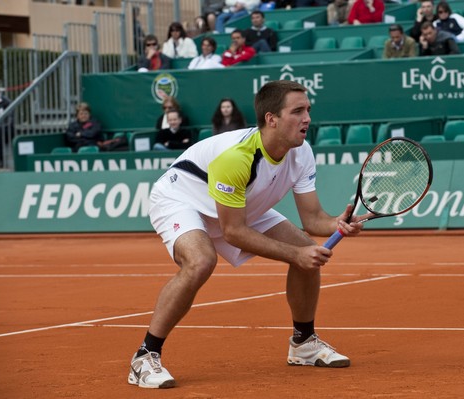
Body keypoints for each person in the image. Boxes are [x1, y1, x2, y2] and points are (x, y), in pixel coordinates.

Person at [127, 80, 369, 389]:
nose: (307, 118)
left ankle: (304, 343)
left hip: (238, 204)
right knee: (201, 261)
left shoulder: (301, 152)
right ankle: (145, 356)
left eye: (308, 110)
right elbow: (233, 232)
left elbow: (313, 219)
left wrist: (338, 222)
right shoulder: (236, 157)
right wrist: (295, 254)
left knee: (306, 248)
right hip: (183, 198)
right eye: (297, 111)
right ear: (272, 119)